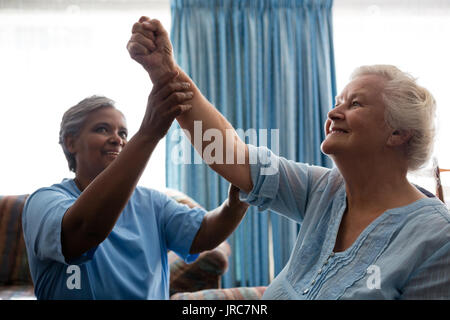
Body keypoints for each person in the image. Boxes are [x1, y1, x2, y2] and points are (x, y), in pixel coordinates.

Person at [127, 17, 450, 299]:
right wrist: (164, 71)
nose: (333, 112)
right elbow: (228, 153)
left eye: (355, 104)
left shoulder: (436, 238)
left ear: (398, 133)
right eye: (338, 102)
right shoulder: (323, 189)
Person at [22, 72, 249, 300]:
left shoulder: (153, 202)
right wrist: (148, 134)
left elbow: (203, 232)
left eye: (123, 133)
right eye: (102, 129)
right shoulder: (43, 202)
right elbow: (81, 232)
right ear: (70, 142)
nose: (117, 139)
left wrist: (234, 204)